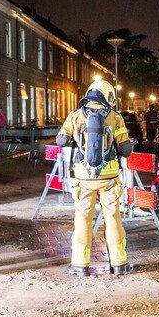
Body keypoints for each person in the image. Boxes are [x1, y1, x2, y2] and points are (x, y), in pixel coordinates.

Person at [56, 79, 134, 277]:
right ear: (108, 96)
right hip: (109, 178)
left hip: (83, 177)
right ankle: (119, 264)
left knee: (82, 219)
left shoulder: (75, 115)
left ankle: (80, 265)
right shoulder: (115, 117)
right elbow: (125, 150)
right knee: (113, 219)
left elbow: (61, 140)